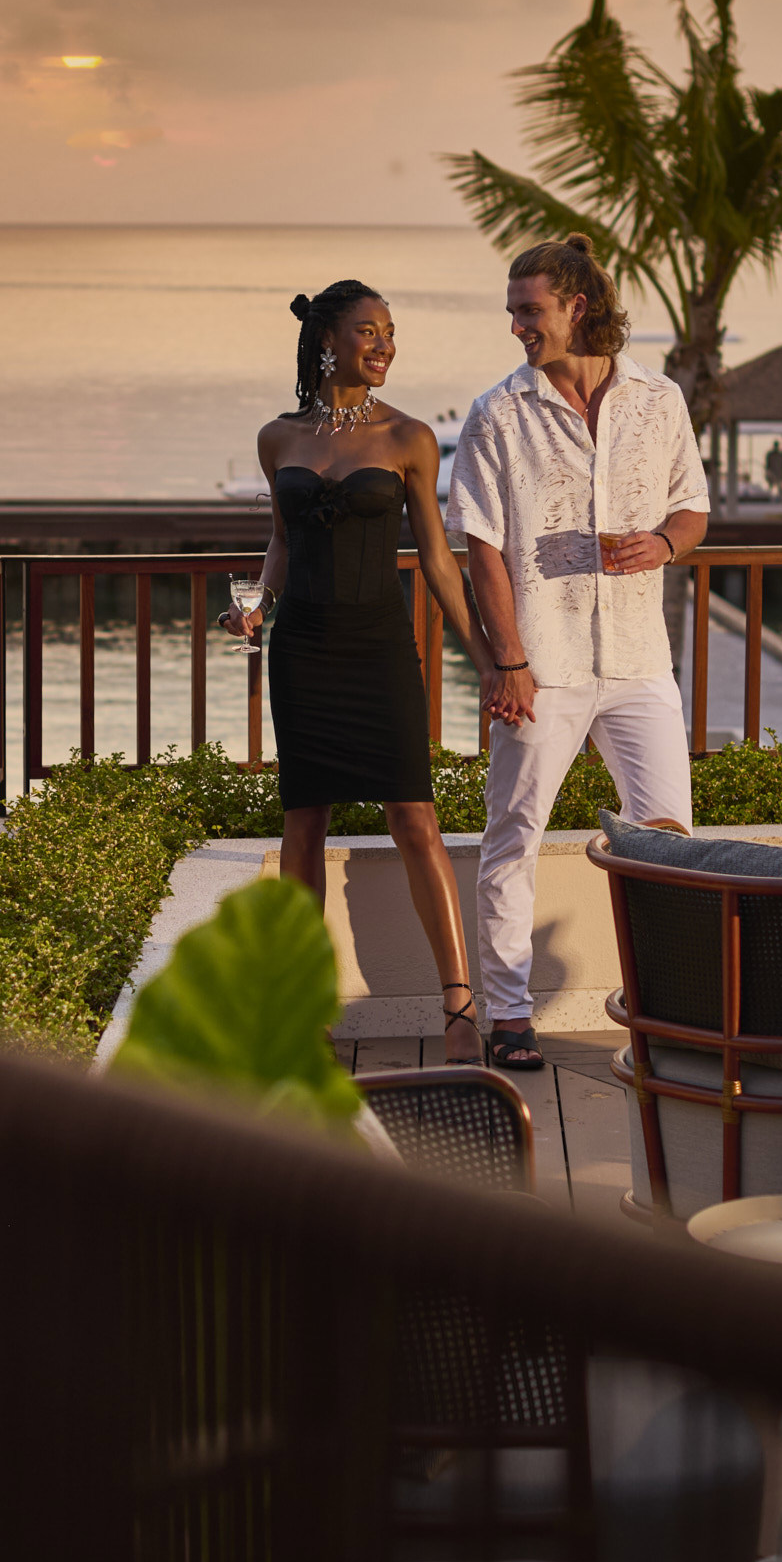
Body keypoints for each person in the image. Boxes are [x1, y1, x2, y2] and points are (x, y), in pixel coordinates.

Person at [447, 236, 710, 1072]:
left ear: (578, 308)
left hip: (638, 658)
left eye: (531, 310)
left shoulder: (658, 399)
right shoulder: (499, 414)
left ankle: (675, 1009)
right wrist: (509, 660)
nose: (518, 325)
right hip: (546, 660)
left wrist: (665, 544)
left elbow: (693, 507)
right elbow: (480, 546)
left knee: (671, 838)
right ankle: (512, 1015)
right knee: (515, 833)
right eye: (515, 310)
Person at [224, 280, 498, 1064]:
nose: (384, 345)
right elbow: (281, 541)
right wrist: (256, 609)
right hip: (303, 648)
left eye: (389, 332)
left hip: (379, 647)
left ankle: (459, 1007)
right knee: (303, 824)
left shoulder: (410, 437)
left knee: (415, 816)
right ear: (328, 341)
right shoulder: (279, 438)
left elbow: (440, 564)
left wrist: (487, 660)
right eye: (369, 332)